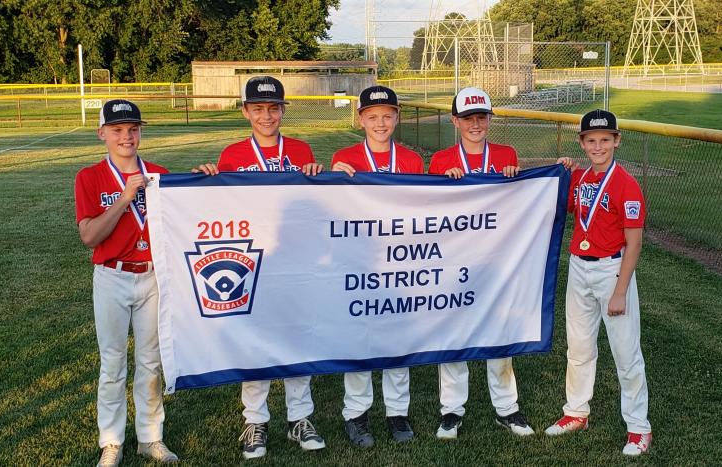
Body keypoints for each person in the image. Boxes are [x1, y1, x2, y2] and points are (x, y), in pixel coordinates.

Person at [192, 76, 324, 459]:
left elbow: (312, 207)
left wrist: (317, 177)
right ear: (246, 111)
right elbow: (222, 209)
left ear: (283, 110)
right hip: (251, 262)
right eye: (258, 108)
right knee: (256, 341)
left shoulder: (300, 150)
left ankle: (300, 417)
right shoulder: (232, 154)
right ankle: (255, 421)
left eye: (273, 108)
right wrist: (206, 182)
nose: (266, 115)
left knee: (299, 336)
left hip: (295, 260)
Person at [74, 99, 178, 467]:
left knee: (152, 362)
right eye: (117, 130)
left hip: (152, 276)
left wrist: (205, 177)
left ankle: (150, 437)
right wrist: (124, 198)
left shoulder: (160, 173)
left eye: (133, 129)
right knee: (113, 362)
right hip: (112, 276)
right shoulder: (89, 177)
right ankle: (112, 441)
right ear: (102, 133)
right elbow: (89, 236)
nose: (126, 136)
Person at [426, 87, 533, 439]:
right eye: (468, 118)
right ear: (455, 120)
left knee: (499, 335)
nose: (476, 124)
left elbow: (520, 203)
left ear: (489, 120)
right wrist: (444, 185)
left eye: (482, 117)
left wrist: (515, 179)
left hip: (496, 261)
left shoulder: (506, 154)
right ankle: (451, 411)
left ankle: (507, 409)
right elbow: (428, 211)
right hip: (454, 261)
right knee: (455, 335)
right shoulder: (441, 160)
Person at [545, 109, 653, 456]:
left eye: (605, 140)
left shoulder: (626, 185)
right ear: (582, 143)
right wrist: (564, 168)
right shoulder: (580, 179)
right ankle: (576, 412)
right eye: (591, 140)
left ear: (617, 141)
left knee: (625, 352)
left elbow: (634, 243)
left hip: (612, 270)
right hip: (579, 266)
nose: (598, 146)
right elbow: (567, 206)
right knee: (578, 347)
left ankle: (638, 428)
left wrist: (620, 290)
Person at [330, 85, 423, 447]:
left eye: (387, 115)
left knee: (398, 338)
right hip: (358, 261)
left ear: (397, 117)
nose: (380, 123)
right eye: (373, 116)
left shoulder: (412, 160)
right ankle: (356, 414)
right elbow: (331, 213)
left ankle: (397, 412)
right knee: (360, 339)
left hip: (401, 261)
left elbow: (422, 213)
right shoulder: (345, 156)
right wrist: (332, 179)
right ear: (361, 119)